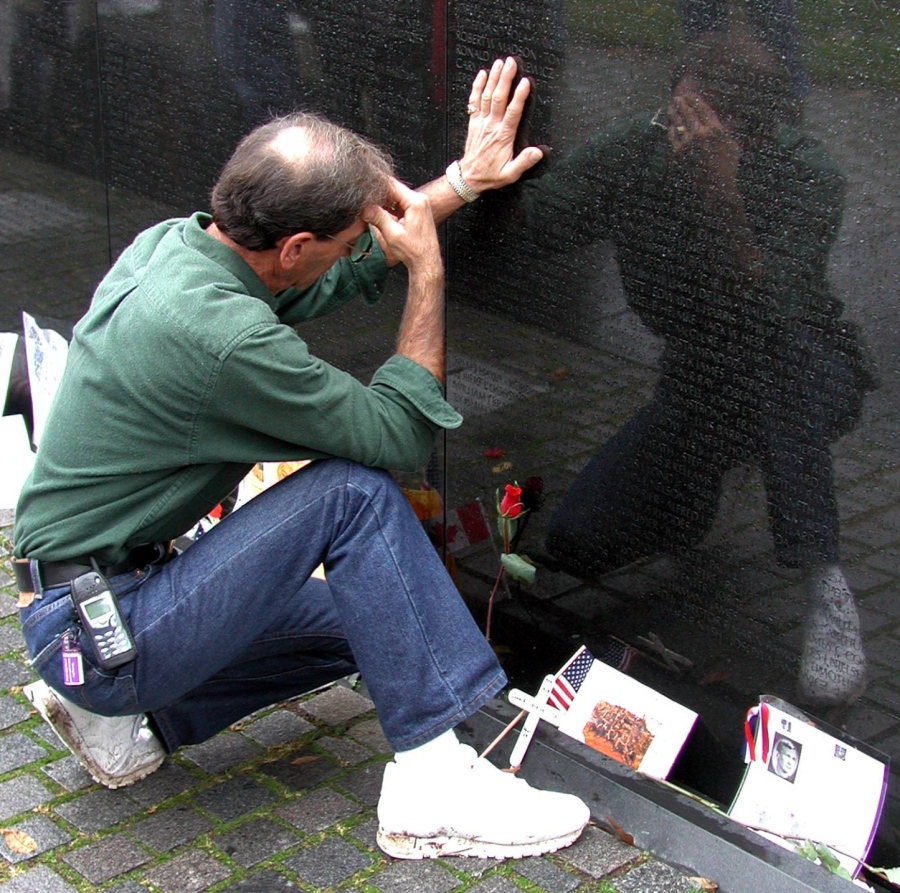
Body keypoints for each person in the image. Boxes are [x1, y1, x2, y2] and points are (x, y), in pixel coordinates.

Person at [11, 57, 590, 860]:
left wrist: (459, 182)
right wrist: (426, 271)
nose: (369, 245)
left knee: (388, 623)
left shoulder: (176, 248)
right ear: (293, 244)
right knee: (352, 494)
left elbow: (312, 284)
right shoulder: (223, 344)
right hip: (108, 626)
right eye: (354, 234)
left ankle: (129, 724)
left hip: (88, 613)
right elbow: (396, 435)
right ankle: (431, 787)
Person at [527, 31, 875, 709]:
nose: (687, 127)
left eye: (714, 115)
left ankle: (822, 580)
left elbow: (775, 309)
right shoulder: (642, 147)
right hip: (700, 381)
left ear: (756, 123)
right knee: (577, 539)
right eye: (682, 104)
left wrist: (723, 190)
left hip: (805, 368)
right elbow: (545, 223)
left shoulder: (806, 171)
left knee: (776, 374)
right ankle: (706, 491)